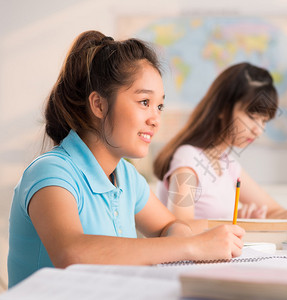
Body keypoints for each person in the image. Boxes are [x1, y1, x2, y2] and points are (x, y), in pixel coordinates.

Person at [7, 30, 244, 288]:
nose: (155, 119)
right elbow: (71, 253)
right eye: (144, 102)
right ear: (99, 105)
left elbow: (170, 226)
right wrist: (192, 246)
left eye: (159, 106)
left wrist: (181, 238)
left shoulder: (127, 177)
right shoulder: (50, 172)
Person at [153, 62, 287, 223]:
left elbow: (275, 211)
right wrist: (235, 222)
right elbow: (180, 228)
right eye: (252, 117)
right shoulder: (188, 159)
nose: (258, 130)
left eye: (264, 121)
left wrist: (247, 219)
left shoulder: (227, 163)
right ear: (222, 108)